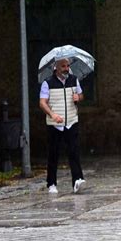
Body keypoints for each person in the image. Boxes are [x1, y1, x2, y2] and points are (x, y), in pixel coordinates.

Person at [39, 58, 86, 194]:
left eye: (68, 66)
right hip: (55, 124)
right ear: (56, 68)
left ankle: (77, 179)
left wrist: (79, 97)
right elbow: (42, 102)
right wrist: (52, 114)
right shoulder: (47, 83)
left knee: (74, 151)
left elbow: (81, 94)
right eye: (63, 66)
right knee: (53, 154)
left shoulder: (74, 79)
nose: (66, 68)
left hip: (71, 121)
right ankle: (51, 183)